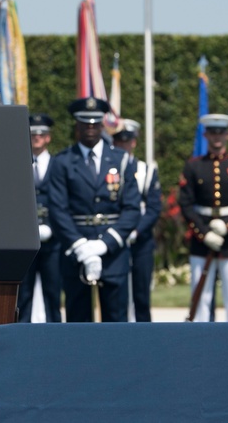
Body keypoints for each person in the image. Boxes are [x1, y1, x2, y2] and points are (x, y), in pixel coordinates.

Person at [46, 98, 140, 322]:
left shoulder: (122, 160)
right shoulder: (62, 162)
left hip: (113, 253)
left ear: (102, 126)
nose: (90, 127)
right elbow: (57, 209)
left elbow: (132, 208)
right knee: (78, 321)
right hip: (76, 251)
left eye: (95, 123)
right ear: (76, 125)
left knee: (116, 321)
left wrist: (104, 244)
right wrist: (80, 246)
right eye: (84, 123)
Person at [178, 114, 228, 322]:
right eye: (213, 133)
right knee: (201, 297)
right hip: (201, 238)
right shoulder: (194, 166)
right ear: (206, 135)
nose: (217, 137)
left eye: (221, 132)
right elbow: (185, 204)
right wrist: (204, 234)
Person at [112, 119, 161, 322]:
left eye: (128, 140)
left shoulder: (146, 170)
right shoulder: (110, 168)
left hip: (140, 241)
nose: (124, 145)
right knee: (117, 296)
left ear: (134, 142)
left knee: (141, 294)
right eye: (119, 141)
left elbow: (153, 208)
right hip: (116, 239)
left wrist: (136, 231)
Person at [17, 114, 61, 323]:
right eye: (33, 134)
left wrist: (52, 226)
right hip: (27, 239)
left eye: (41, 134)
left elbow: (63, 202)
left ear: (48, 138)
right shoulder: (20, 164)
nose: (37, 137)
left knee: (53, 293)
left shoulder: (58, 164)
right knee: (23, 295)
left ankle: (57, 338)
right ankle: (22, 337)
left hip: (53, 241)